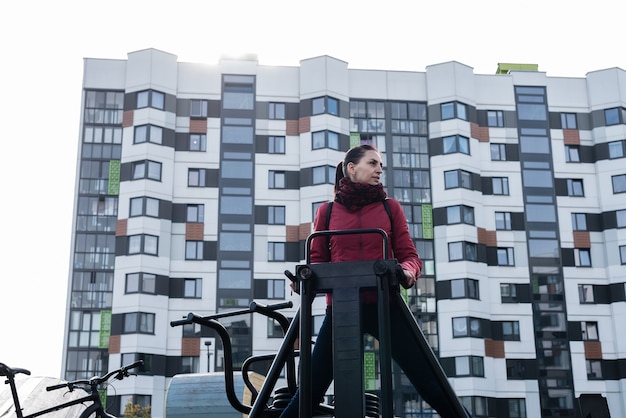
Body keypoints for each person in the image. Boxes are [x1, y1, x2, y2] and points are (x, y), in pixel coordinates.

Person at [279, 144, 467, 418]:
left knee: (432, 384)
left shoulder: (390, 208)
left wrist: (406, 272)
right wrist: (302, 280)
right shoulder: (327, 212)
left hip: (386, 307)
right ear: (351, 168)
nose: (379, 169)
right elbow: (317, 261)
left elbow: (410, 256)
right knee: (309, 391)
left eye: (381, 165)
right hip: (342, 311)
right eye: (373, 163)